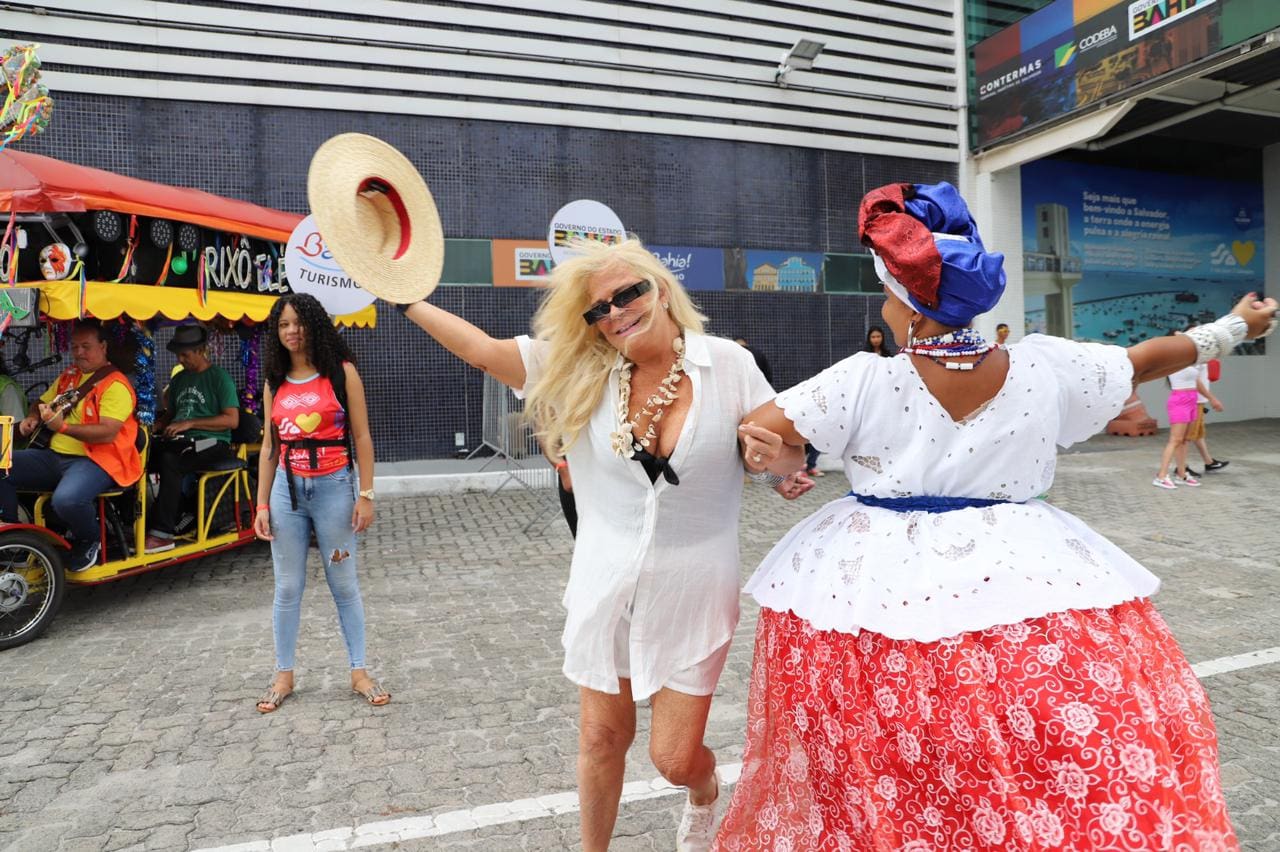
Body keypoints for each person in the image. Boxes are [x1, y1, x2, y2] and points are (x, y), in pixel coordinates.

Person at [715, 181, 1274, 849]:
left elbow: (763, 434)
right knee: (1030, 751)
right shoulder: (1046, 367)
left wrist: (781, 463)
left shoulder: (863, 379)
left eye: (889, 299)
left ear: (913, 310)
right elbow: (1147, 359)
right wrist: (1235, 327)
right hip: (1027, 578)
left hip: (874, 589)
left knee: (890, 754)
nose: (885, 312)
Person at [395, 238, 811, 851]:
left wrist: (778, 459)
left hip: (692, 587)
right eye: (599, 309)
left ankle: (704, 788)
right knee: (599, 740)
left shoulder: (728, 365)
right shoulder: (579, 370)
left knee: (672, 757)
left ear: (660, 289)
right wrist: (403, 298)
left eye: (628, 294)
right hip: (605, 581)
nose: (616, 312)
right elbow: (481, 351)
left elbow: (789, 451)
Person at [252, 294, 385, 713]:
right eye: (284, 325)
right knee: (287, 587)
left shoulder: (341, 374)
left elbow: (362, 437)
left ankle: (359, 671)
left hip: (333, 487)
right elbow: (269, 447)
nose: (292, 331)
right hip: (286, 494)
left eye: (298, 322)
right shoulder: (275, 380)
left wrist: (365, 494)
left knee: (343, 584)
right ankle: (283, 675)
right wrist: (260, 505)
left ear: (313, 324)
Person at [0, 319, 141, 572]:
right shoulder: (70, 376)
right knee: (3, 462)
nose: (79, 353)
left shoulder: (116, 385)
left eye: (86, 346)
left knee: (67, 500)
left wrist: (63, 428)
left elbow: (107, 433)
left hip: (98, 460)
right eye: (75, 347)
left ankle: (89, 539)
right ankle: (14, 543)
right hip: (54, 456)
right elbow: (40, 402)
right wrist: (33, 417)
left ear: (104, 346)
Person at [144, 324, 240, 553]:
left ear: (201, 350)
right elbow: (170, 415)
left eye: (185, 355)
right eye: (178, 355)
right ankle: (138, 522)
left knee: (172, 462)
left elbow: (232, 420)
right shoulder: (178, 381)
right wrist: (155, 426)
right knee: (140, 455)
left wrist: (190, 423)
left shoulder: (219, 377)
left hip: (214, 443)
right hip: (182, 441)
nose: (180, 360)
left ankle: (162, 533)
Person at [1153, 353, 1220, 489]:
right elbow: (1179, 335)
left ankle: (1181, 475)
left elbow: (1197, 382)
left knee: (1185, 440)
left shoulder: (1190, 360)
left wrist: (1212, 399)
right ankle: (1161, 476)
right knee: (1175, 440)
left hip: (1192, 399)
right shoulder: (1172, 360)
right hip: (1179, 400)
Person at [1185, 361, 1228, 476]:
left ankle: (1209, 462)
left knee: (1198, 434)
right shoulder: (1195, 359)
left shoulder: (1202, 358)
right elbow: (1194, 380)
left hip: (1199, 400)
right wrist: (1212, 398)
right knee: (1187, 435)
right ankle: (1182, 467)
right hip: (1194, 400)